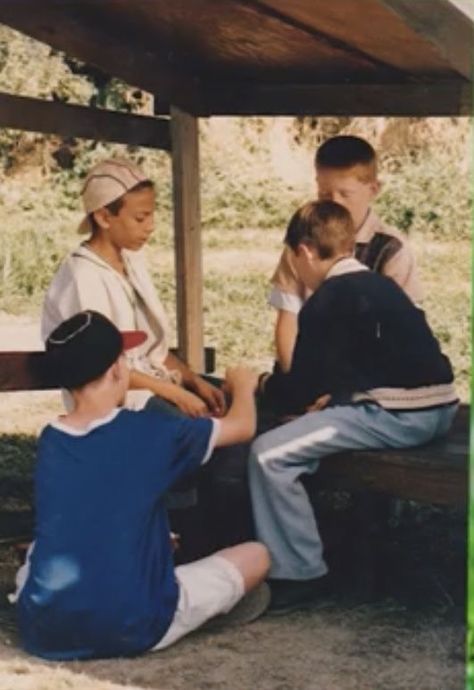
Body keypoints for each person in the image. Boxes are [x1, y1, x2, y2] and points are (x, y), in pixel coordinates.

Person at [14, 310, 270, 660]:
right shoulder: (149, 431)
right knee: (257, 556)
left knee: (42, 551)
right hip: (132, 624)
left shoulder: (52, 440)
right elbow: (242, 427)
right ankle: (199, 611)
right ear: (119, 370)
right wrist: (243, 385)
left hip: (46, 629)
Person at [250, 201, 458, 614]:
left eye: (295, 260)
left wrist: (257, 385)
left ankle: (299, 572)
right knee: (309, 429)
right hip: (439, 408)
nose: (298, 272)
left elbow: (297, 392)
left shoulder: (327, 299)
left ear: (305, 251)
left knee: (268, 454)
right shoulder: (381, 287)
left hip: (399, 416)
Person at [41, 158, 225, 418]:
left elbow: (150, 351)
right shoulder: (83, 277)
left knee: (235, 401)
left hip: (154, 388)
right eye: (141, 218)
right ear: (104, 217)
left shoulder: (131, 262)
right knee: (211, 430)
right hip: (116, 405)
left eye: (151, 215)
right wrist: (175, 393)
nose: (151, 226)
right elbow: (101, 368)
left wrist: (194, 381)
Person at [270, 135, 423, 373]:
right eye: (324, 194)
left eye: (345, 194)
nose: (335, 203)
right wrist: (297, 385)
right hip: (307, 371)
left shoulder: (391, 250)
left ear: (373, 189)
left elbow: (401, 335)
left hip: (368, 379)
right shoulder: (302, 243)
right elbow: (288, 322)